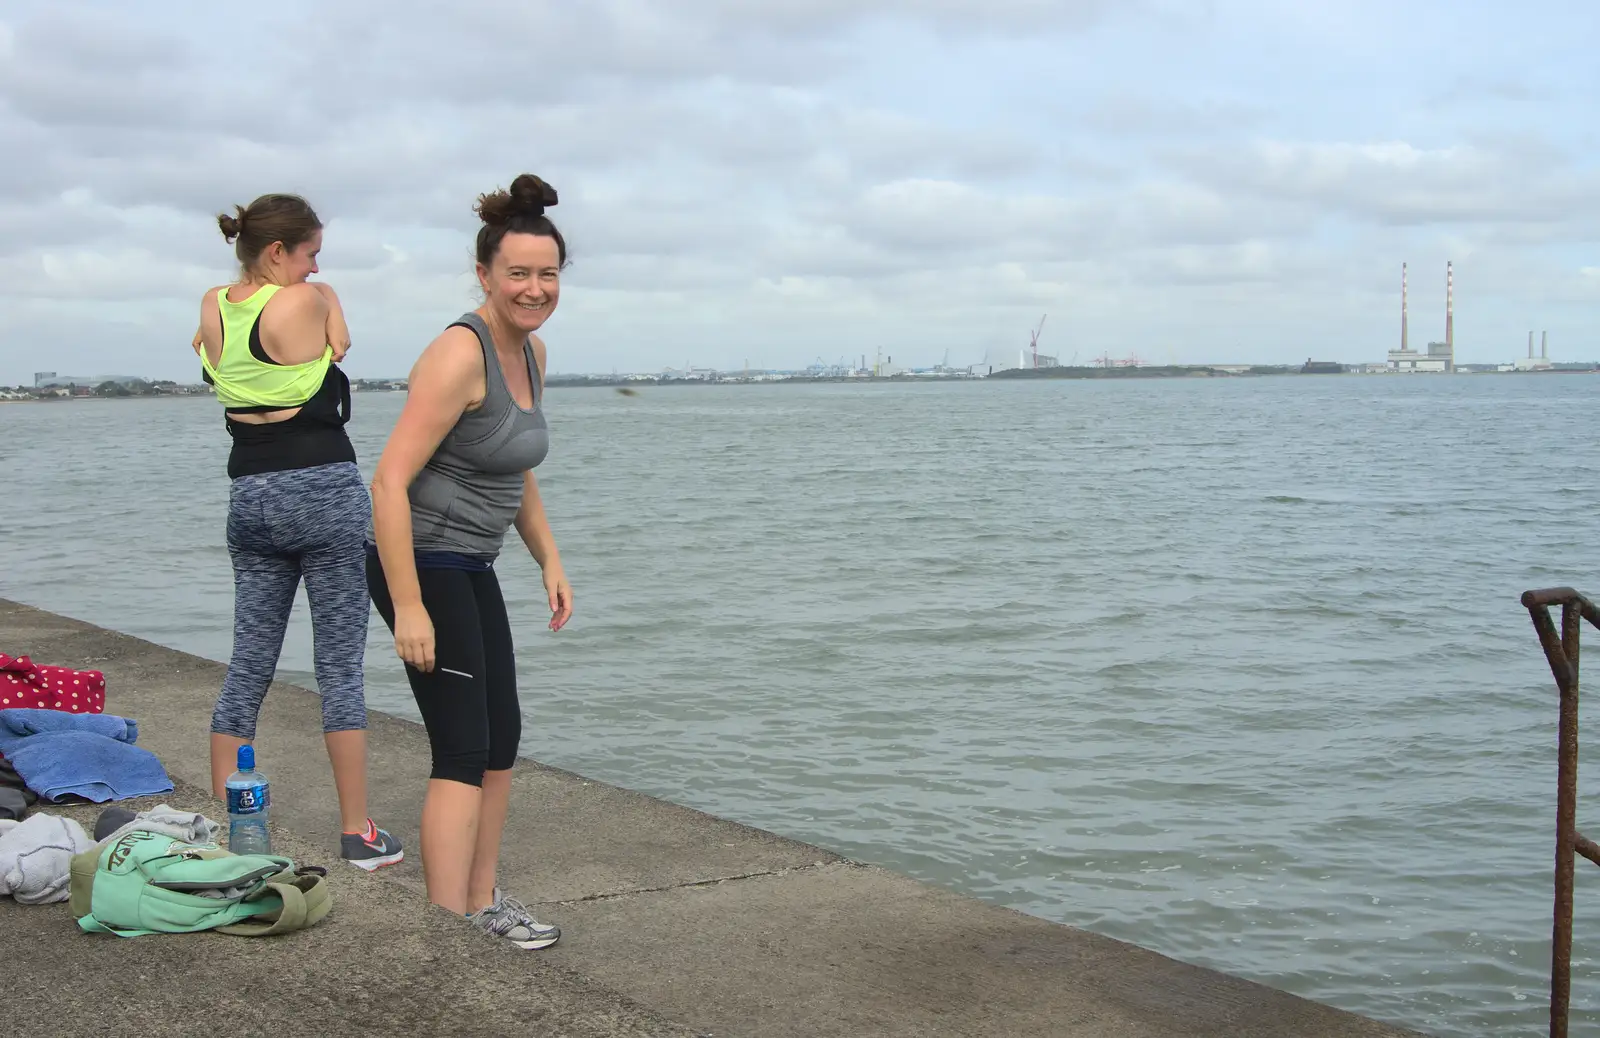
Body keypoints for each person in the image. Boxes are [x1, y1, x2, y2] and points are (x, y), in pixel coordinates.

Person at [366, 173, 573, 949]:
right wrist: (408, 604)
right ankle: (447, 928)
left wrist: (548, 558)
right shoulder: (459, 353)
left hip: (472, 561)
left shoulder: (533, 352)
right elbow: (388, 480)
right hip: (421, 559)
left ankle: (484, 901)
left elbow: (510, 467)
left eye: (547, 273)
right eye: (517, 273)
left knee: (501, 737)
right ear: (485, 274)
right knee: (460, 746)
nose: (533, 288)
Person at [195, 193, 404, 872]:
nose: (317, 269)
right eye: (311, 254)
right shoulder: (305, 302)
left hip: (247, 496)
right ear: (278, 252)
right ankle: (356, 832)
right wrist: (331, 293)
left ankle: (237, 829)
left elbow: (215, 361)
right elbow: (339, 345)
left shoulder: (214, 303)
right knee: (338, 665)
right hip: (320, 490)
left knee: (249, 660)